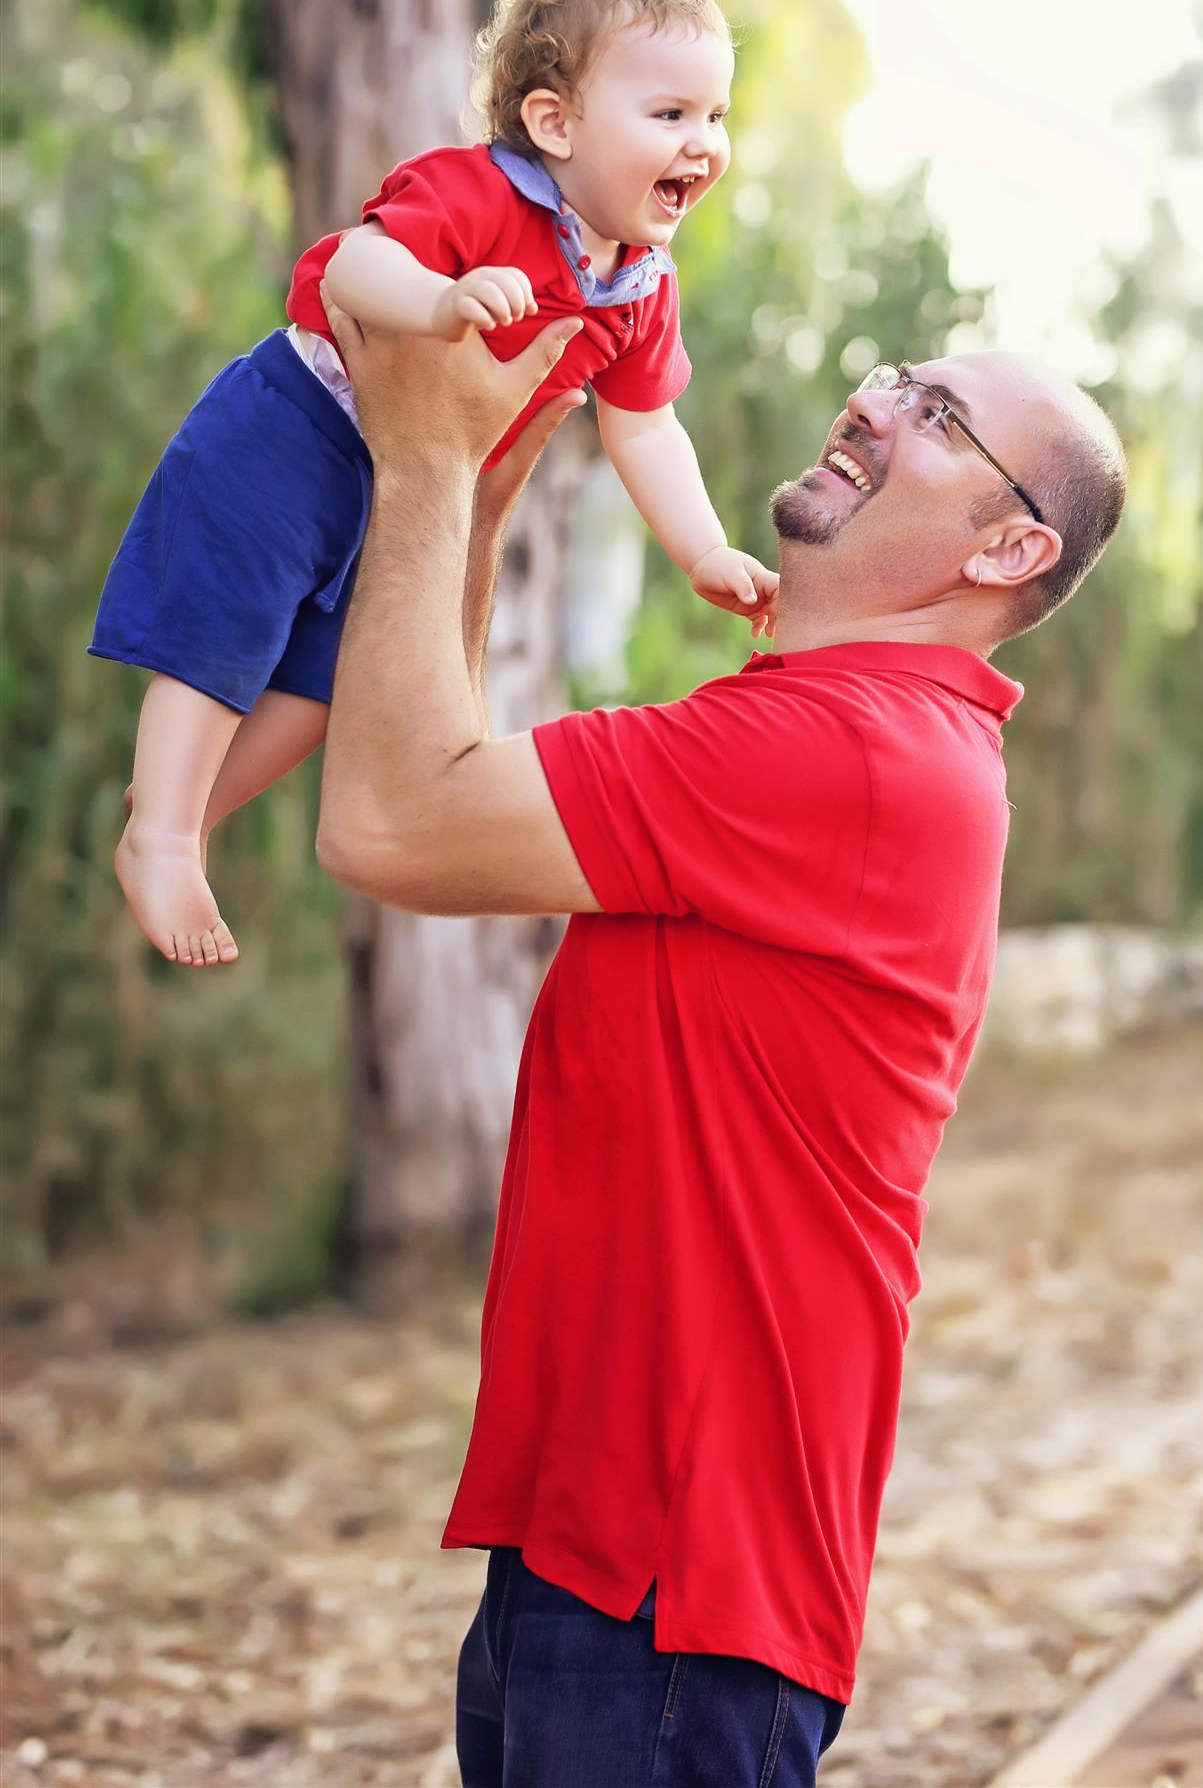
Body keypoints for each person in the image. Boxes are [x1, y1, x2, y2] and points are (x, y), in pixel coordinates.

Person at [313, 292, 1127, 1787]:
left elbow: (388, 822)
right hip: (604, 1548)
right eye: (900, 376)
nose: (876, 402)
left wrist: (423, 456)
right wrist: (477, 490)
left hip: (673, 1596)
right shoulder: (843, 730)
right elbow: (436, 779)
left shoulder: (851, 754)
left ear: (1009, 550)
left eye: (941, 418)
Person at [89, 0, 775, 969]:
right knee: (229, 626)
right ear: (555, 123)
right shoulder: (476, 193)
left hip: (399, 486)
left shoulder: (640, 286)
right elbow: (352, 266)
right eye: (670, 114)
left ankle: (182, 807)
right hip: (297, 424)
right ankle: (165, 835)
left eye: (715, 116)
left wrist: (703, 549)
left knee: (328, 683)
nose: (704, 144)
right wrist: (441, 298)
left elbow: (644, 425)